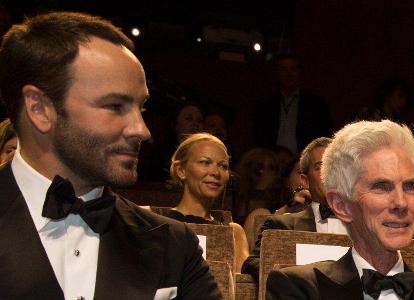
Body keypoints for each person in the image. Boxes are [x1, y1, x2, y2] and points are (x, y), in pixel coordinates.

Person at [0, 12, 221, 299]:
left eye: (140, 109)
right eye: (115, 106)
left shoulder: (173, 244)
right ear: (40, 109)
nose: (142, 130)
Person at [266, 120, 414, 299]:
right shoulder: (299, 288)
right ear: (341, 205)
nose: (401, 203)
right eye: (381, 187)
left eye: (410, 186)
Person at [241, 137, 348, 279]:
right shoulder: (281, 225)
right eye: (320, 167)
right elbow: (251, 264)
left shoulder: (366, 225)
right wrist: (298, 271)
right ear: (305, 180)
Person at [161, 132, 249, 272]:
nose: (216, 172)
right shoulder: (159, 223)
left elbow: (242, 288)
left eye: (223, 166)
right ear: (181, 170)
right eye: (205, 162)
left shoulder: (234, 232)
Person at [253, 53, 332, 155]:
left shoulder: (315, 104)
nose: (288, 74)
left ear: (299, 72)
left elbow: (323, 135)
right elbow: (259, 135)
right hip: (270, 158)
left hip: (303, 158)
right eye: (284, 69)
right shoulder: (265, 105)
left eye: (293, 69)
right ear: (277, 73)